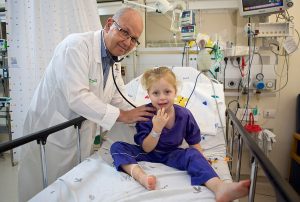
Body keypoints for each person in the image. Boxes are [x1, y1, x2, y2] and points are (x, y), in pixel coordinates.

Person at [18, 7, 155, 201]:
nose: (128, 42)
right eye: (125, 32)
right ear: (109, 25)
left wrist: (149, 115)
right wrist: (123, 116)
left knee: (70, 189)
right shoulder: (75, 46)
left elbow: (118, 97)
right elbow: (77, 96)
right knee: (43, 190)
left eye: (134, 39)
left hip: (77, 134)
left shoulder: (113, 60)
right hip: (50, 133)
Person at [110, 67, 250, 202]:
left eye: (167, 91)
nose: (162, 97)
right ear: (149, 94)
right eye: (156, 93)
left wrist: (200, 161)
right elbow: (146, 148)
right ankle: (142, 177)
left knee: (193, 154)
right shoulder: (146, 114)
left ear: (175, 92)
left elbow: (194, 142)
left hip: (172, 154)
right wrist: (156, 129)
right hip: (148, 153)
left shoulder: (184, 115)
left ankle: (220, 188)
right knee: (117, 147)